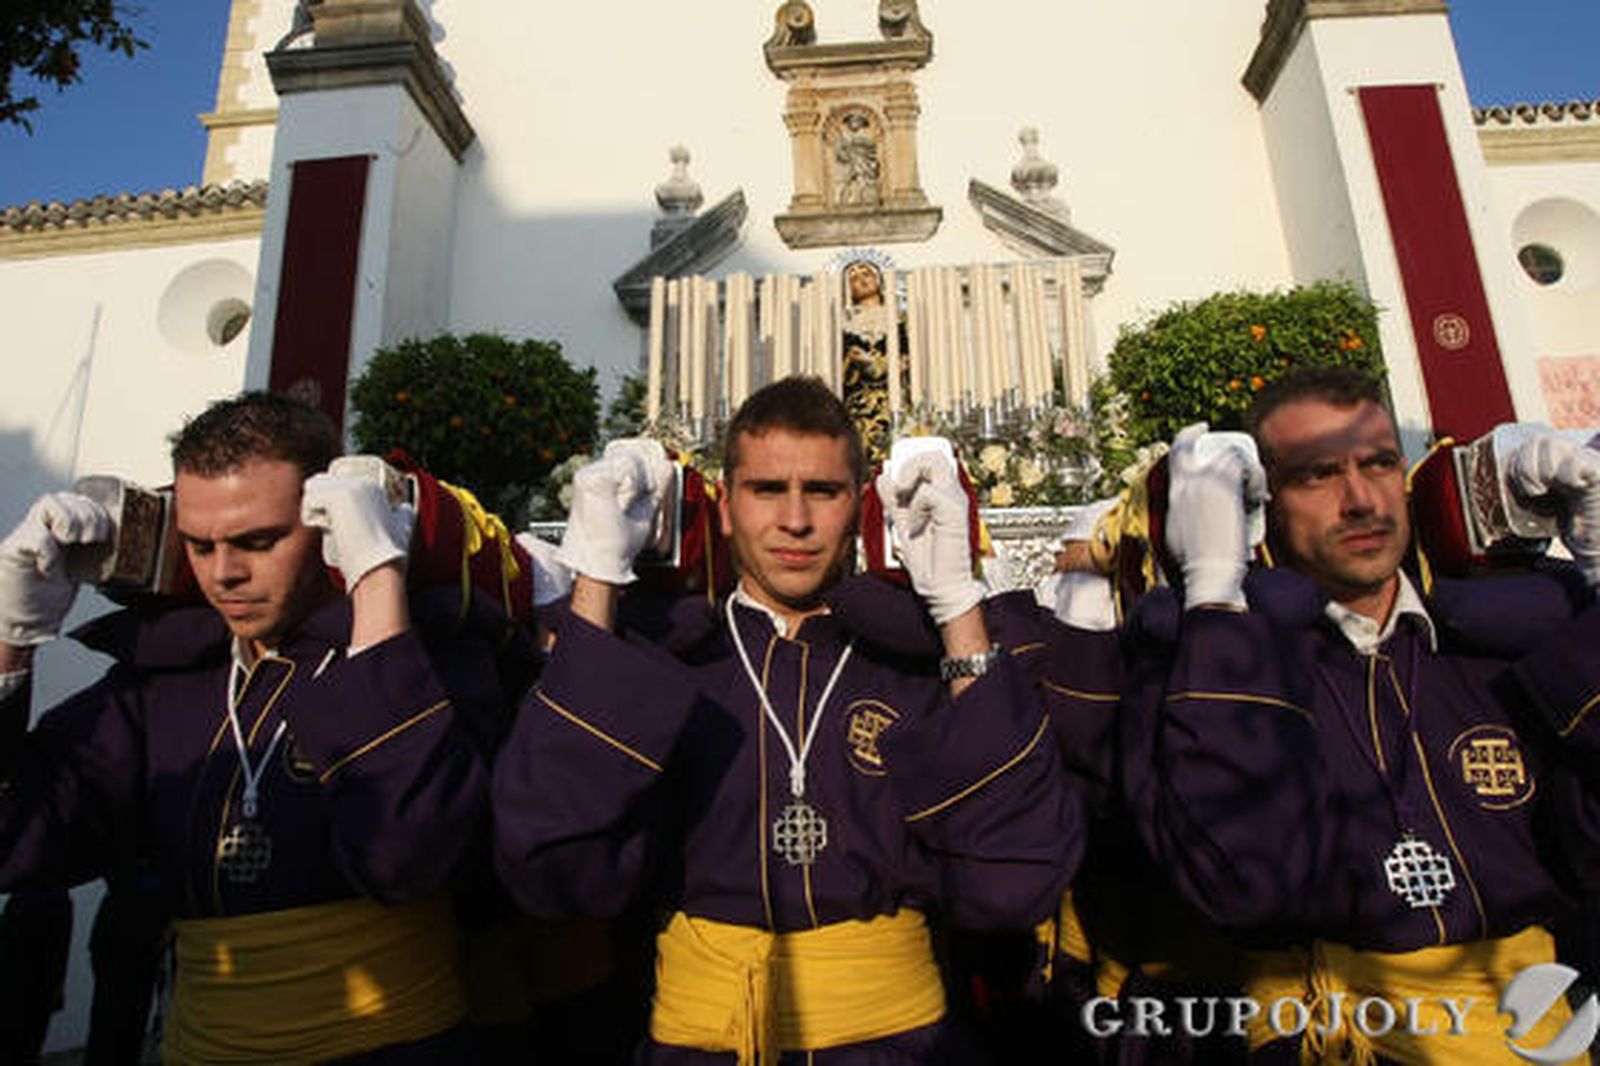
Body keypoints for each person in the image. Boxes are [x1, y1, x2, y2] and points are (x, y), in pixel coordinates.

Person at [494, 375, 1082, 1063]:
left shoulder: (918, 665)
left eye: (823, 492)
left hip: (902, 1045)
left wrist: (958, 608)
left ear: (859, 504)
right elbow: (553, 872)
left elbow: (1015, 882)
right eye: (767, 490)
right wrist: (595, 576)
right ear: (723, 505)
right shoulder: (665, 668)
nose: (795, 521)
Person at [0, 391, 507, 1063]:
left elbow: (407, 854)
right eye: (199, 546)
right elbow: (18, 839)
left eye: (259, 541)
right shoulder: (163, 680)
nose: (224, 574)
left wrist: (378, 583)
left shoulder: (428, 653)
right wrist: (11, 643)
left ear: (330, 523)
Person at [1127, 366, 1600, 1063]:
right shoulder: (1208, 659)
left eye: (1379, 465)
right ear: (1262, 504)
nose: (1359, 501)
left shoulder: (1502, 645)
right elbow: (1242, 883)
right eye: (1317, 476)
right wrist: (1216, 594)